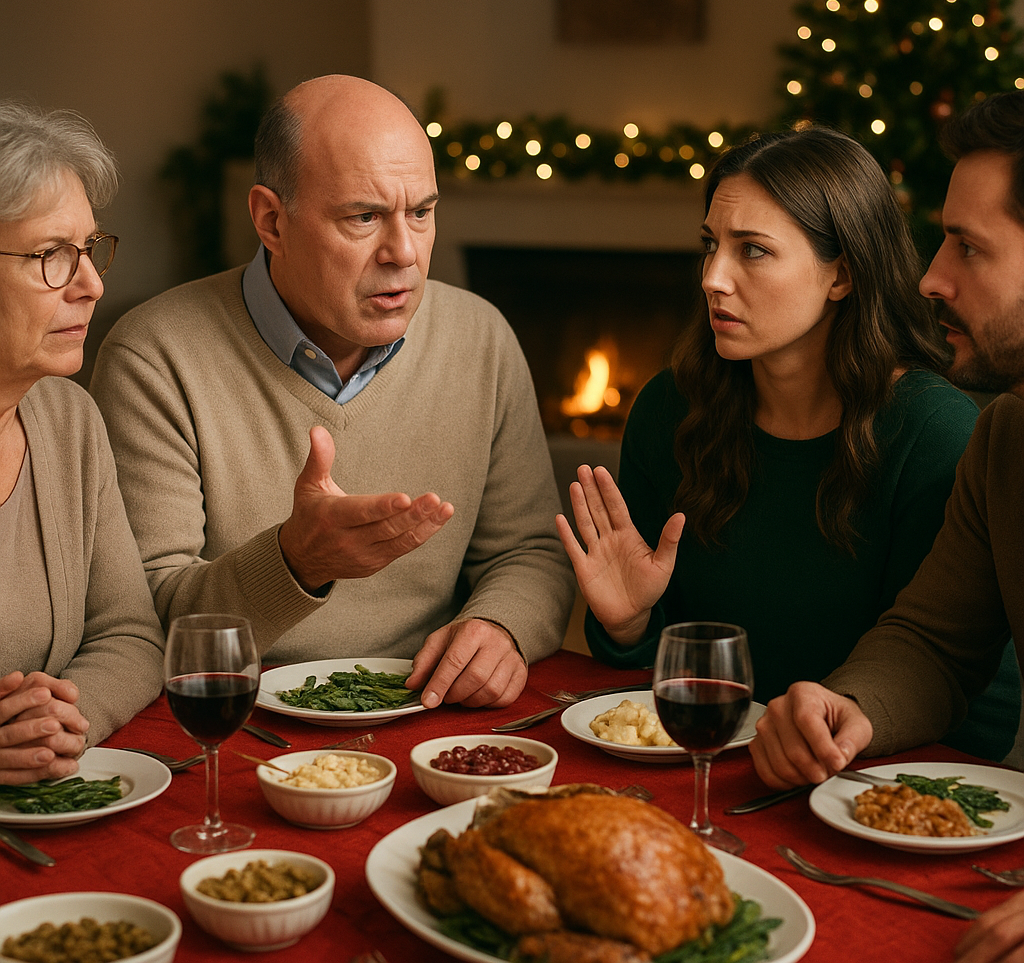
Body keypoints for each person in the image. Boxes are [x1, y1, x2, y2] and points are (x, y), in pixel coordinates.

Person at [89, 75, 573, 710]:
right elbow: (148, 619)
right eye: (363, 217)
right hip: (236, 717)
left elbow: (530, 551)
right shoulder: (154, 356)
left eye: (421, 213)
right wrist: (296, 561)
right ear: (271, 221)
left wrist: (500, 625)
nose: (404, 252)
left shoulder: (480, 336)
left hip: (430, 706)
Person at [557, 126, 1018, 757]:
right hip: (707, 760)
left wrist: (829, 739)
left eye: (753, 250)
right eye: (711, 245)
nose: (713, 278)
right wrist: (631, 625)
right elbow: (646, 694)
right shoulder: (670, 409)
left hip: (855, 778)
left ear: (842, 275)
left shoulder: (935, 431)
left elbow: (967, 694)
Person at [743, 90, 1024, 963]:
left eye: (968, 246)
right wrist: (851, 707)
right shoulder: (1006, 439)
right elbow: (935, 640)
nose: (932, 278)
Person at [0, 102, 165, 783]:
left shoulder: (69, 419)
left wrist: (63, 723)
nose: (92, 286)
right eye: (52, 257)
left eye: (90, 249)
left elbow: (129, 634)